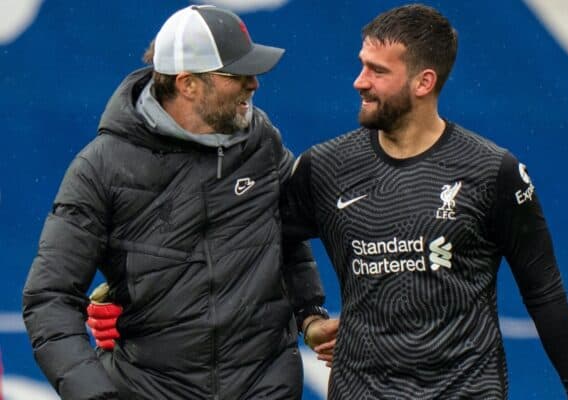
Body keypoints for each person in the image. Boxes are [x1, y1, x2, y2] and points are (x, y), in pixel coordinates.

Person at [281, 4, 568, 400]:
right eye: (363, 65)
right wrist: (308, 316)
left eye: (378, 71)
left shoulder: (492, 172)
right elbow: (268, 243)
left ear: (423, 82)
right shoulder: (324, 167)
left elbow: (544, 293)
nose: (359, 82)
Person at [22, 5, 336, 400]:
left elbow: (286, 235)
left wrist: (309, 315)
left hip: (265, 386)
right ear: (188, 84)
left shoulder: (262, 141)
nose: (254, 84)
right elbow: (49, 300)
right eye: (236, 75)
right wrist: (98, 396)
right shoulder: (99, 168)